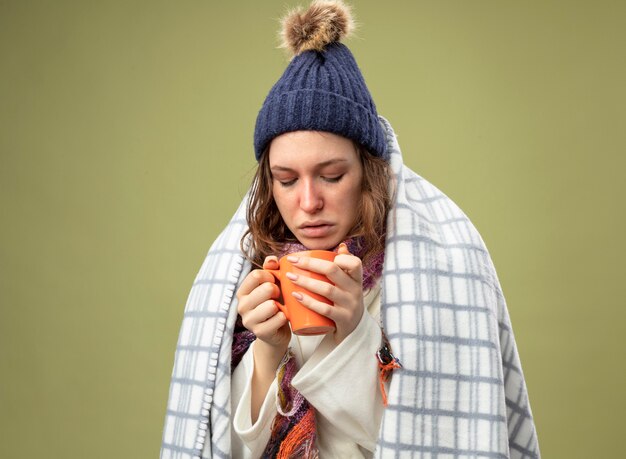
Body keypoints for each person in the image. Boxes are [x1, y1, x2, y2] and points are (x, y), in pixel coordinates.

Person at [160, 1, 540, 458]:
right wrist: (266, 349)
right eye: (286, 180)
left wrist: (357, 330)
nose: (308, 202)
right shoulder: (248, 275)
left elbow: (428, 439)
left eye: (332, 175)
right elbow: (229, 446)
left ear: (369, 171)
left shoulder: (436, 269)